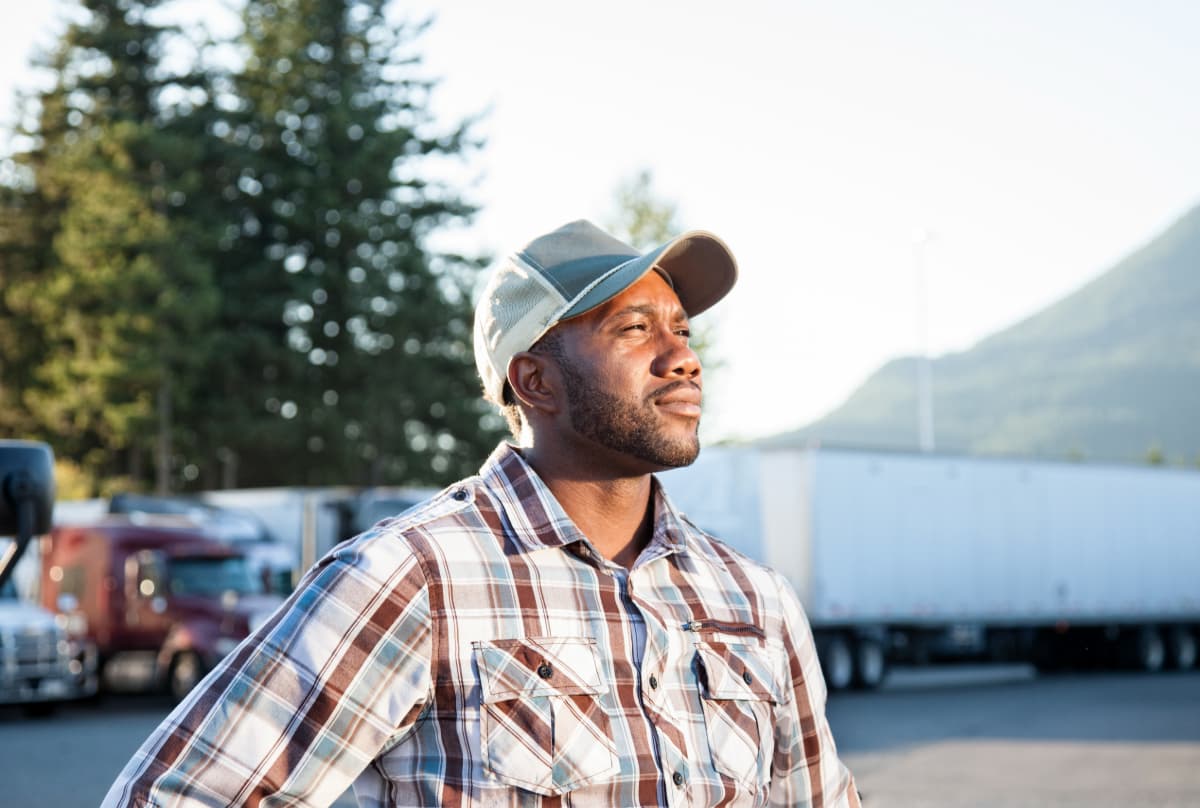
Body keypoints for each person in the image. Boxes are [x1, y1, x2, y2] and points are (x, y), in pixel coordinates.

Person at [103, 219, 860, 807]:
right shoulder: (411, 578)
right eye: (634, 329)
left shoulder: (755, 601)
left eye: (682, 330)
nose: (683, 356)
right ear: (534, 380)